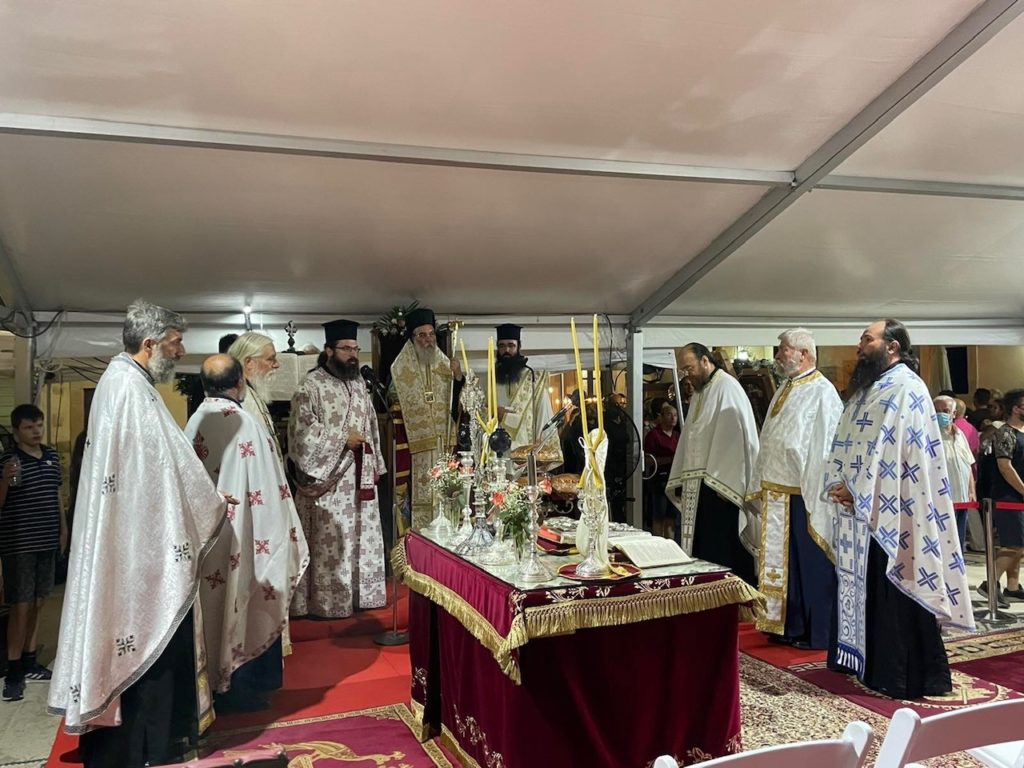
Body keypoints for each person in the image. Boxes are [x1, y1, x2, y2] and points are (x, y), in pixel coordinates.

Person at [48, 299, 229, 767]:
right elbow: (162, 470)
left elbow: (160, 465)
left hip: (128, 534)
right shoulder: (129, 389)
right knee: (149, 633)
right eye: (175, 342)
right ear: (150, 343)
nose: (181, 351)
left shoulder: (123, 382)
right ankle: (146, 745)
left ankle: (147, 742)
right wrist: (208, 501)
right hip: (138, 547)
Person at [825, 319, 973, 699]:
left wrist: (858, 491)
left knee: (896, 590)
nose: (859, 346)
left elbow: (895, 455)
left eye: (867, 339)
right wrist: (839, 483)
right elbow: (849, 441)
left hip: (898, 510)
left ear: (892, 346)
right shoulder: (867, 390)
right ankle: (867, 663)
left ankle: (901, 675)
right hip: (863, 513)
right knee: (868, 587)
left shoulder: (907, 388)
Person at [184, 355, 308, 710]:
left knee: (213, 608)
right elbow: (270, 491)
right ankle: (242, 689)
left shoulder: (193, 423)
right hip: (246, 538)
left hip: (208, 538)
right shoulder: (246, 423)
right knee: (245, 602)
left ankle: (212, 686)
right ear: (240, 382)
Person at [747, 329, 842, 649]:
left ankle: (817, 632)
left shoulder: (823, 391)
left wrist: (818, 486)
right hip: (778, 492)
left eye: (783, 349)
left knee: (810, 564)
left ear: (803, 353)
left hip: (806, 493)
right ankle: (787, 624)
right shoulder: (784, 388)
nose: (778, 355)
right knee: (785, 566)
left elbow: (826, 444)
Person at [289, 319, 386, 618]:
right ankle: (327, 603)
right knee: (333, 539)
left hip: (359, 478)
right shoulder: (310, 386)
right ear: (329, 350)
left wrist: (376, 464)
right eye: (346, 349)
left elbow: (372, 426)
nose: (353, 355)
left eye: (356, 348)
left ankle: (360, 595)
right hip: (328, 482)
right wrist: (342, 439)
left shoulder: (360, 385)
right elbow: (301, 434)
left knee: (360, 536)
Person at [666, 343, 759, 586]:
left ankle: (733, 597)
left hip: (723, 488)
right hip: (700, 488)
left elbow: (736, 437)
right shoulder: (700, 393)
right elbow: (691, 437)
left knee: (723, 549)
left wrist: (725, 480)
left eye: (689, 368)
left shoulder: (727, 387)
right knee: (704, 548)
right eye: (683, 370)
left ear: (705, 361)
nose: (687, 375)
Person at [1, 404, 65, 702]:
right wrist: (5, 479)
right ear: (17, 432)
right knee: (20, 606)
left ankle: (30, 660)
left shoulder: (51, 456)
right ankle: (13, 670)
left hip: (47, 539)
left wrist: (63, 529)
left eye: (39, 425)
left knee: (39, 602)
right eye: (29, 427)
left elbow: (56, 495)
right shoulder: (8, 460)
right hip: (19, 543)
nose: (36, 431)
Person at [388, 308, 463, 530]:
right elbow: (392, 400)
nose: (428, 339)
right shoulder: (399, 368)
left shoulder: (445, 364)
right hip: (416, 449)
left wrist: (458, 376)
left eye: (431, 334)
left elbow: (458, 403)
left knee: (445, 497)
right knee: (419, 498)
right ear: (412, 338)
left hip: (443, 446)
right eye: (422, 335)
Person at [494, 324, 561, 460]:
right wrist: (492, 413)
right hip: (496, 451)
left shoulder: (533, 377)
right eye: (502, 346)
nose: (506, 350)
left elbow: (543, 413)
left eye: (511, 345)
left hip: (526, 452)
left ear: (519, 346)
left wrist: (543, 450)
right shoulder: (491, 378)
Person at [983, 388, 1024, 604]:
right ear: (1016, 408)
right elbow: (1005, 467)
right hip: (1008, 496)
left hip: (1019, 497)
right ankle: (989, 583)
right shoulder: (1005, 433)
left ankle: (1013, 586)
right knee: (1014, 544)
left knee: (1019, 543)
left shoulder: (1022, 432)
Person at [933, 395, 977, 554]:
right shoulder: (930, 436)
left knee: (959, 537)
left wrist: (971, 491)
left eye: (945, 411)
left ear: (954, 413)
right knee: (943, 539)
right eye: (937, 411)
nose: (940, 414)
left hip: (962, 497)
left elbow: (968, 464)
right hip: (940, 498)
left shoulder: (960, 435)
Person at [227, 331, 282, 445]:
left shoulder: (251, 392)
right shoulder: (240, 398)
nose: (277, 365)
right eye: (270, 359)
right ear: (249, 362)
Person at [643, 401, 679, 541]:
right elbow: (648, 460)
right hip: (660, 480)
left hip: (674, 479)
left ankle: (670, 543)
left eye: (675, 415)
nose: (673, 418)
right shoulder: (653, 436)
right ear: (662, 417)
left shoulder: (677, 436)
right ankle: (658, 542)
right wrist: (669, 459)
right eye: (669, 415)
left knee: (671, 516)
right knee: (659, 516)